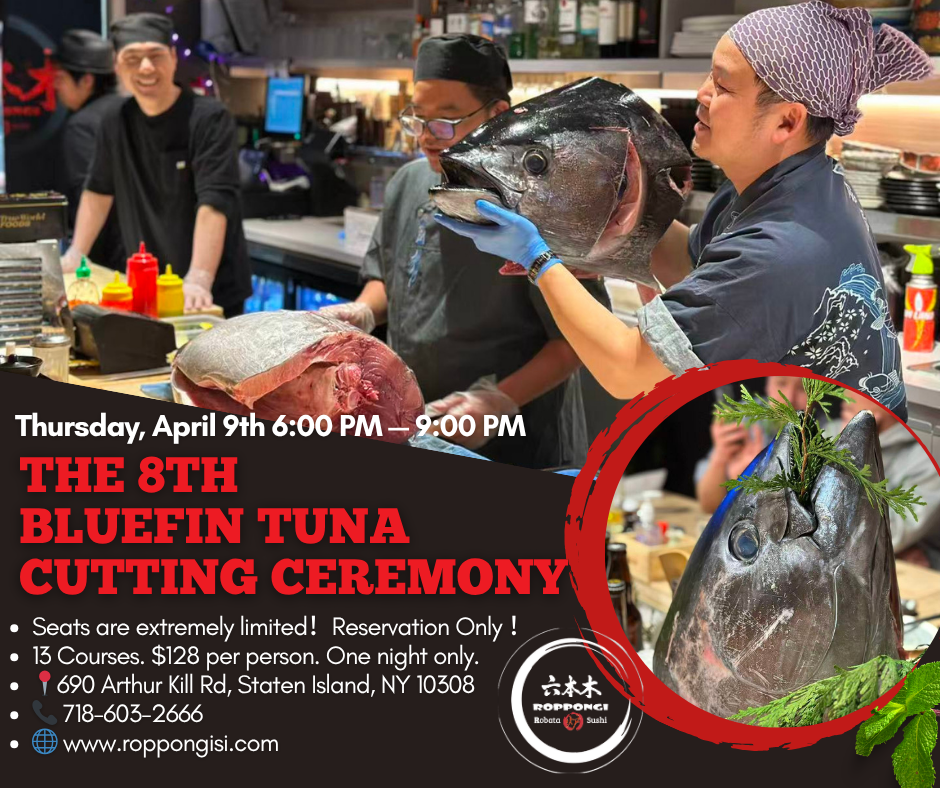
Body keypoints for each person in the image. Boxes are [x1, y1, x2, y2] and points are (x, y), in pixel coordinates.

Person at [436, 2, 934, 422]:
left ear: (787, 121)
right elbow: (693, 264)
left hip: (831, 482)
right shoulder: (790, 185)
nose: (701, 94)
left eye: (723, 86)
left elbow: (626, 370)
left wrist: (539, 258)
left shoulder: (780, 248)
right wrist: (607, 231)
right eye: (709, 76)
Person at [320, 34, 612, 469]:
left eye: (446, 120)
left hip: (519, 444)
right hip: (415, 427)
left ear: (498, 114)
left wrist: (498, 400)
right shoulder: (409, 182)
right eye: (418, 119)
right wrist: (362, 311)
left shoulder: (545, 204)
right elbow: (390, 273)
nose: (427, 137)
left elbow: (578, 340)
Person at [63, 12, 252, 316]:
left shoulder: (209, 118)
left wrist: (199, 278)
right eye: (132, 58)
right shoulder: (115, 120)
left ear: (173, 58)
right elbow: (98, 192)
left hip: (208, 296)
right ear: (117, 65)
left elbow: (214, 203)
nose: (146, 67)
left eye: (155, 55)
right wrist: (76, 254)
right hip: (148, 287)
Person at [53, 30, 126, 272]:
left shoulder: (82, 125)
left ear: (86, 81)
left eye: (61, 78)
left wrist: (78, 253)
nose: (55, 86)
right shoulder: (133, 110)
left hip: (106, 260)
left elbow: (91, 194)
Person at [695, 376, 811, 514]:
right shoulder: (746, 418)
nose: (789, 398)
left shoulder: (827, 431)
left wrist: (753, 480)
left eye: (802, 388)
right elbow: (708, 506)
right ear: (767, 385)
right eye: (781, 383)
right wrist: (719, 458)